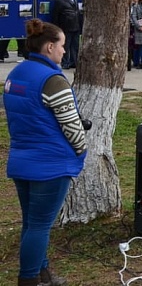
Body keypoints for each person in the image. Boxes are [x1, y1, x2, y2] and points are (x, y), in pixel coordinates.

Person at [3, 19, 87, 286]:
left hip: (22, 159)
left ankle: (43, 274)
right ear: (50, 47)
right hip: (50, 163)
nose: (64, 50)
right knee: (40, 225)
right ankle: (28, 279)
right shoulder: (53, 80)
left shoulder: (16, 73)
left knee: (32, 223)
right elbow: (72, 125)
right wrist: (81, 150)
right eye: (62, 45)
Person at [50, 0, 81, 69]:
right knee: (66, 45)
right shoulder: (60, 1)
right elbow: (56, 15)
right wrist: (56, 28)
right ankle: (65, 62)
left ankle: (73, 61)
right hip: (66, 26)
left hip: (75, 25)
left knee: (75, 45)